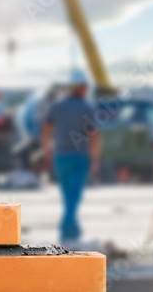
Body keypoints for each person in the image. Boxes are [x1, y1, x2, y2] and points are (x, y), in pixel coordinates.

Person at [41, 70, 101, 243]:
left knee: (68, 196)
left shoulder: (57, 106)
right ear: (82, 87)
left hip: (61, 157)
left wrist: (47, 150)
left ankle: (74, 230)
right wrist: (95, 159)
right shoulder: (87, 107)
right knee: (74, 197)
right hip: (80, 158)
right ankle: (66, 231)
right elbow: (95, 135)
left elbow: (46, 129)